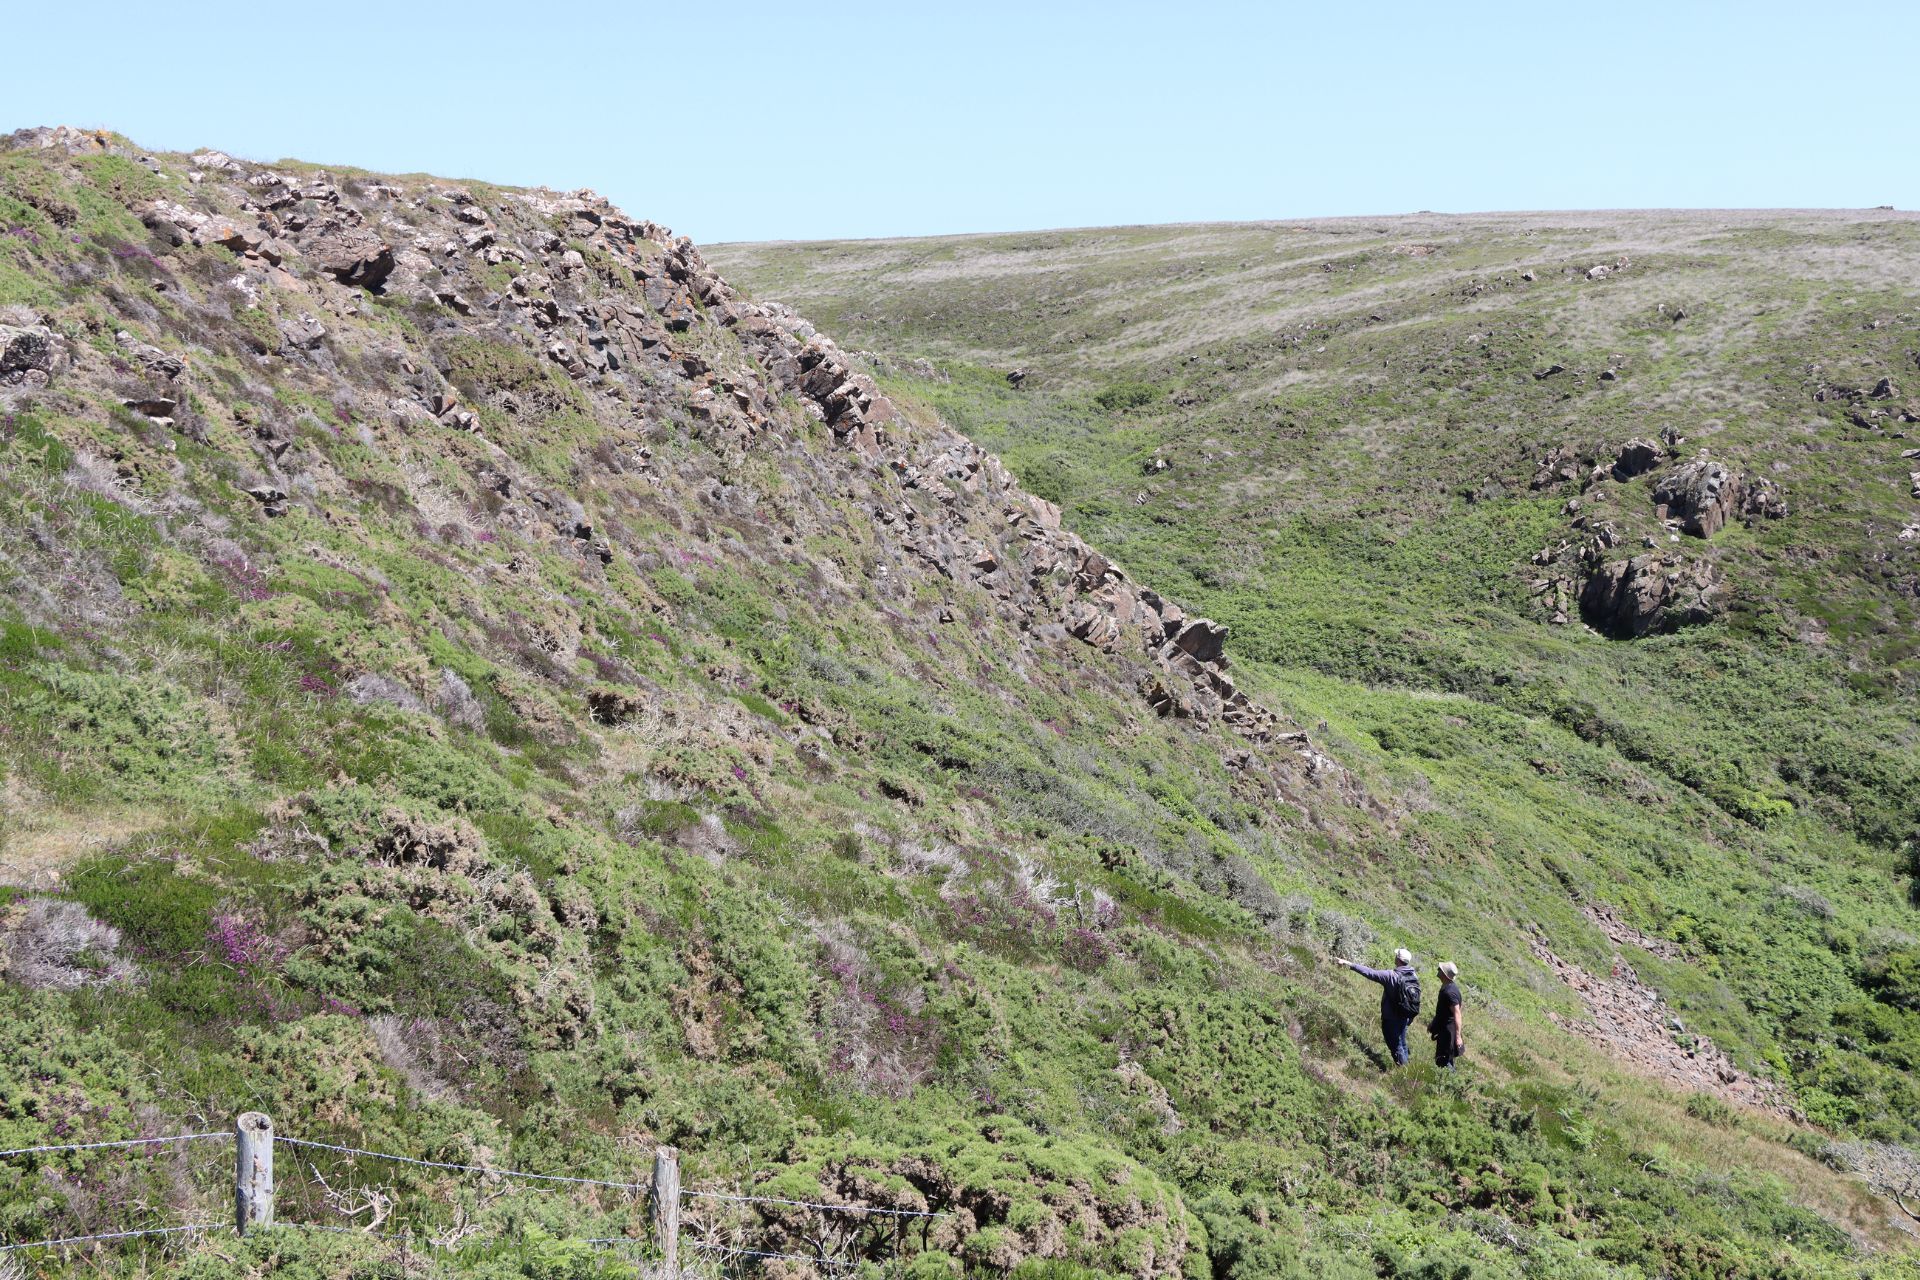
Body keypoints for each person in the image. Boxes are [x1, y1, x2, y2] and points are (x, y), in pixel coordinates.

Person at [1334, 947, 1421, 1066]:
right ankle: (1408, 1068)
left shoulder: (1391, 976)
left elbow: (1371, 973)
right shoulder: (1413, 975)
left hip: (1391, 1019)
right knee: (1402, 1043)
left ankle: (1405, 1073)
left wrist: (1349, 964)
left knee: (1395, 1046)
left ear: (1398, 959)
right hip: (1405, 1016)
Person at [1429, 961, 1463, 1068]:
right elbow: (1443, 1011)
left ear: (1444, 974)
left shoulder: (1450, 992)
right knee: (1445, 1058)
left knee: (1443, 1060)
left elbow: (1457, 1014)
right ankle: (1449, 1081)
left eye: (1440, 969)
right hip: (1445, 1030)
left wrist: (1457, 1037)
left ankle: (1451, 1082)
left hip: (1448, 1032)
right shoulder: (1447, 988)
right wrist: (1434, 1023)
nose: (1438, 970)